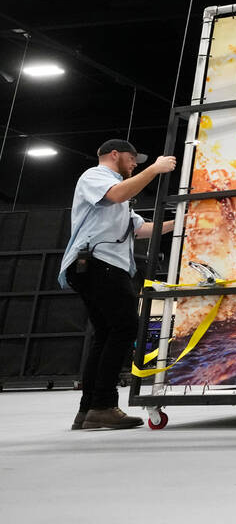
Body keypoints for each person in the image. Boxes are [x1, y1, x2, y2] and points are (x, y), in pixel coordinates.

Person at [59, 139, 177, 431]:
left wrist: (183, 220)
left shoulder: (120, 198)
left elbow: (142, 229)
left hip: (102, 267)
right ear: (115, 155)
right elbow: (118, 193)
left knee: (106, 334)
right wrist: (155, 169)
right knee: (124, 327)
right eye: (133, 158)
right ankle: (102, 405)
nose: (135, 163)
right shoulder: (96, 176)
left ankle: (89, 410)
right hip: (100, 264)